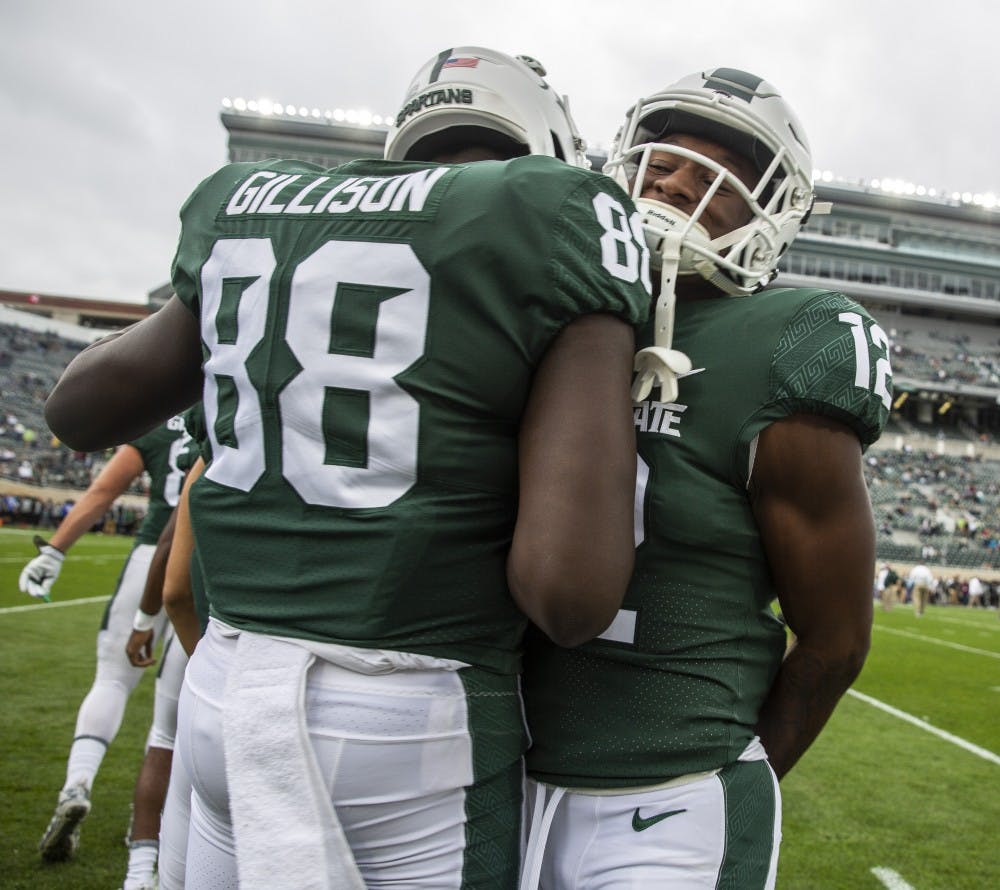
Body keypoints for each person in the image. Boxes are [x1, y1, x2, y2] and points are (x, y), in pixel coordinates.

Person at [45, 46, 651, 889]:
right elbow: (568, 597)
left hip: (223, 689)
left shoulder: (250, 201)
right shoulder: (553, 211)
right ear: (547, 141)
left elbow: (75, 411)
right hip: (411, 719)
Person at [520, 67, 891, 889]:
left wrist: (728, 773)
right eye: (662, 157)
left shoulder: (790, 339)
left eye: (712, 171)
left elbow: (834, 641)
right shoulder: (539, 311)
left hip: (672, 789)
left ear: (772, 211)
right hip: (490, 771)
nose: (675, 180)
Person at [18, 416, 195, 862]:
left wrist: (56, 550)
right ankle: (149, 822)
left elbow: (102, 492)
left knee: (112, 681)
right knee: (173, 709)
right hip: (205, 566)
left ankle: (77, 784)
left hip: (150, 554)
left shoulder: (159, 424)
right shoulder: (230, 404)